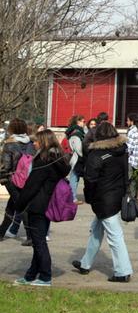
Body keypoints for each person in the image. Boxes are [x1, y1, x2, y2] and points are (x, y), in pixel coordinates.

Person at [72, 122, 133, 283]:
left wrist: (89, 198)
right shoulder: (122, 151)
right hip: (115, 197)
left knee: (115, 236)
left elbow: (90, 180)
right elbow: (126, 174)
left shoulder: (96, 154)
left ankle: (122, 271)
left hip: (103, 200)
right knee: (96, 231)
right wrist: (126, 192)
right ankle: (85, 264)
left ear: (97, 135)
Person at [12, 129, 70, 286]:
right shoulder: (57, 158)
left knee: (39, 242)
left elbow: (31, 186)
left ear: (43, 142)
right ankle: (31, 275)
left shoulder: (43, 160)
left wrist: (19, 204)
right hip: (48, 204)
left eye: (36, 141)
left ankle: (45, 276)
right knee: (39, 240)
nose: (34, 144)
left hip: (39, 205)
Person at [0, 118, 35, 244]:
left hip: (12, 179)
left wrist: (2, 179)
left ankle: (31, 236)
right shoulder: (30, 143)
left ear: (12, 129)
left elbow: (6, 166)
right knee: (12, 206)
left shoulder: (9, 144)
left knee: (21, 206)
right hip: (26, 179)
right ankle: (1, 232)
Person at [65, 115, 86, 203]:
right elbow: (78, 149)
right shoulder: (76, 133)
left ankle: (72, 197)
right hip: (77, 159)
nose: (84, 123)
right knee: (74, 178)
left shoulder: (79, 132)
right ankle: (72, 198)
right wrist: (85, 154)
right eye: (83, 121)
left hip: (78, 159)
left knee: (75, 178)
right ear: (78, 122)